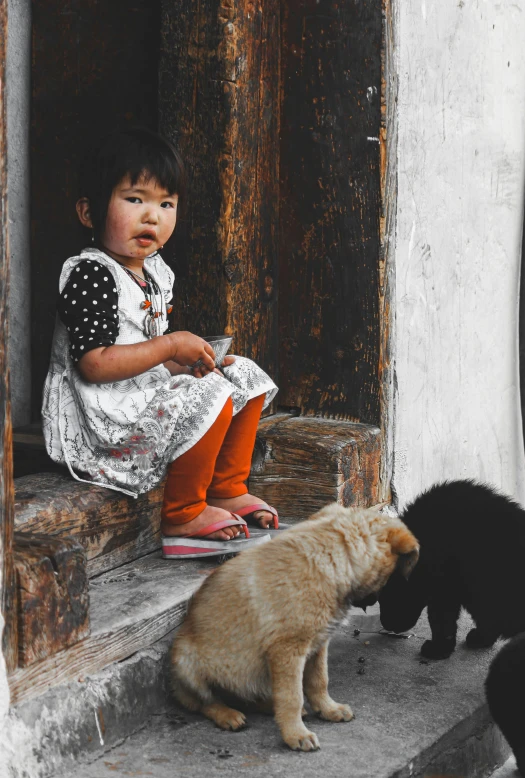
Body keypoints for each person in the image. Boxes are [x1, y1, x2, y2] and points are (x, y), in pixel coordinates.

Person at [42, 127, 279, 559]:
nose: (152, 216)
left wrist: (186, 365)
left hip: (138, 389)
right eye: (135, 199)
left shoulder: (153, 273)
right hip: (102, 409)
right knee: (212, 393)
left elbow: (144, 349)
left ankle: (226, 488)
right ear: (88, 212)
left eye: (165, 204)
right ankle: (183, 514)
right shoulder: (92, 274)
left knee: (241, 374)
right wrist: (170, 348)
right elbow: (94, 364)